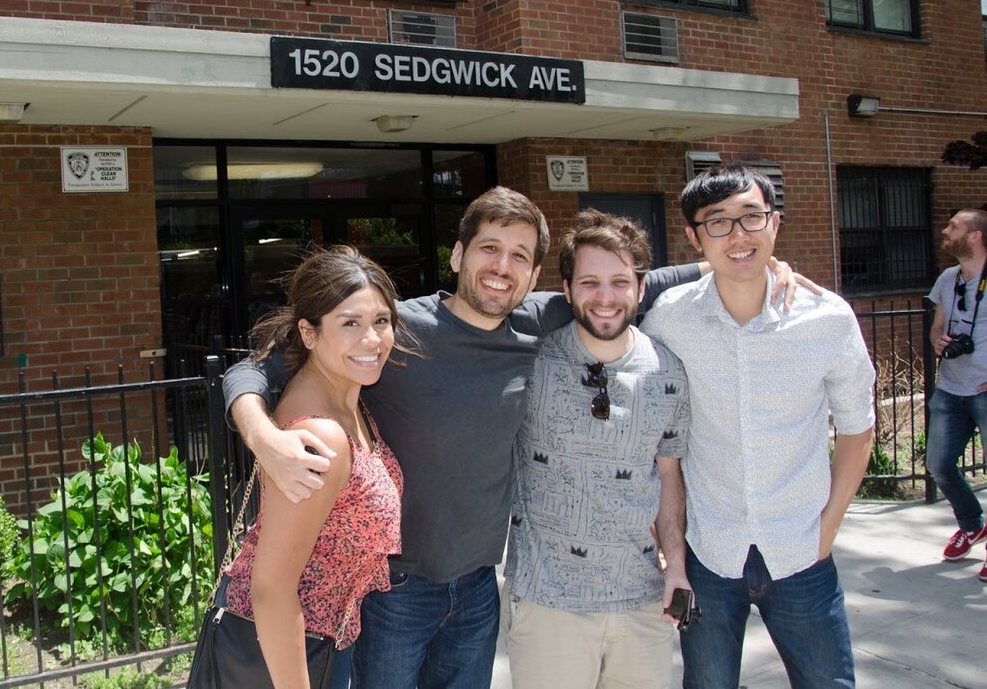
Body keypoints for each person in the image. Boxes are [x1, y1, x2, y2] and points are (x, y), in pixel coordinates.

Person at [224, 186, 802, 688]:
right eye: (490, 249)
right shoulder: (389, 329)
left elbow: (630, 281)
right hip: (395, 591)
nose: (502, 267)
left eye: (520, 257)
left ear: (534, 275)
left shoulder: (541, 319)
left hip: (478, 589)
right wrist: (263, 436)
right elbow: (256, 368)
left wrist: (742, 263)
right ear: (458, 254)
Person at [640, 162, 875, 688]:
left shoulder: (827, 318)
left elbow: (859, 431)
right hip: (709, 550)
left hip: (801, 551)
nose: (738, 235)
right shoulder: (669, 320)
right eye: (717, 222)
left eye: (752, 217)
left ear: (775, 223)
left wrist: (828, 527)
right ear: (693, 236)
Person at [504, 210, 690, 689]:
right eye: (589, 282)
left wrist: (678, 568)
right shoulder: (531, 362)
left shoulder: (669, 372)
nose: (605, 298)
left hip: (642, 604)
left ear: (640, 288)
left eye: (619, 282)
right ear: (565, 290)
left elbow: (668, 475)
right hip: (549, 607)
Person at [220, 245, 414, 688]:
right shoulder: (322, 435)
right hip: (285, 656)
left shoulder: (350, 404)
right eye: (350, 323)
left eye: (380, 321)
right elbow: (270, 590)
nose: (372, 339)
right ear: (308, 333)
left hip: (323, 645)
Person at [925, 208, 987, 575]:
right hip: (951, 387)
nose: (945, 231)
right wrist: (938, 341)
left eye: (953, 227)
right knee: (939, 465)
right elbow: (937, 327)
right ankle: (971, 523)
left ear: (976, 236)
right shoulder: (948, 279)